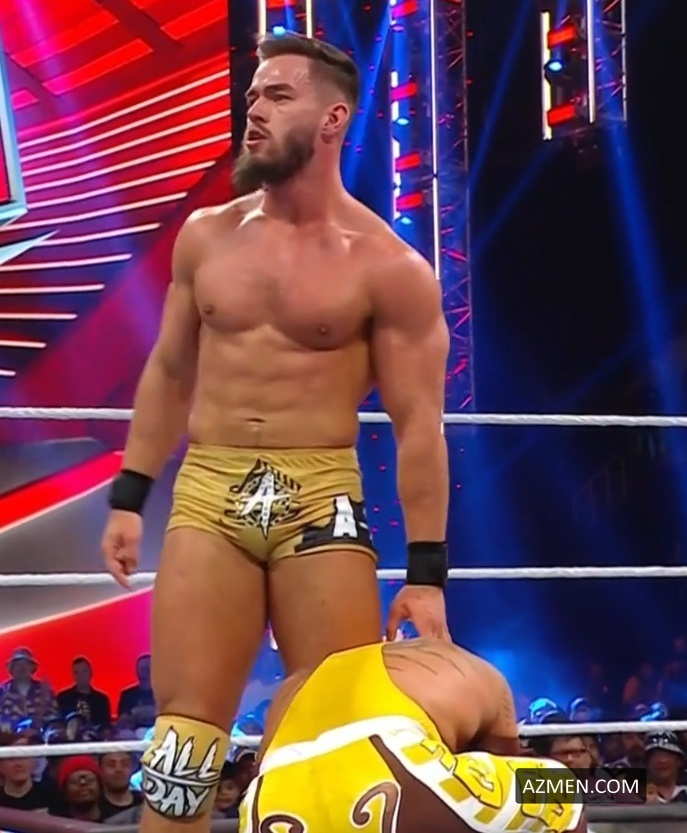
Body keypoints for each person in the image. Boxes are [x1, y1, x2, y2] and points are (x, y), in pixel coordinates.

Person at [101, 31, 450, 833]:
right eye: (252, 94)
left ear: (333, 119)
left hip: (319, 496)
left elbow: (417, 426)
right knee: (184, 736)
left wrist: (426, 572)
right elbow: (170, 370)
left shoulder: (388, 265)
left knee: (336, 734)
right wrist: (129, 495)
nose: (253, 110)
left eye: (278, 95)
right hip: (209, 488)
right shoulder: (206, 234)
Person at [239, 638, 588, 832]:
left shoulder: (293, 687)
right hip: (394, 767)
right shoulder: (468, 670)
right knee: (559, 788)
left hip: (268, 801)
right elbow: (502, 767)